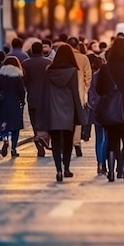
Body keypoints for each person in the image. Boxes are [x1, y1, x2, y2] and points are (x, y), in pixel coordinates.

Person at [37, 45, 86, 182]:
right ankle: (66, 168)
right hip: (68, 111)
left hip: (53, 111)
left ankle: (58, 169)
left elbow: (45, 93)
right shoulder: (72, 71)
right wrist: (79, 113)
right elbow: (75, 93)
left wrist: (43, 113)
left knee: (56, 143)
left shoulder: (48, 71)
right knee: (68, 142)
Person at [96, 38, 124, 181]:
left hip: (111, 111)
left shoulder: (105, 68)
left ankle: (110, 172)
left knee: (111, 141)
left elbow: (99, 89)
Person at [21, 42, 53, 157]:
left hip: (32, 97)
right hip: (46, 97)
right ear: (41, 50)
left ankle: (38, 140)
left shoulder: (25, 64)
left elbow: (23, 80)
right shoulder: (49, 62)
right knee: (46, 121)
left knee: (34, 121)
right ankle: (44, 138)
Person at [0, 56, 26, 158]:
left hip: (2, 103)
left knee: (3, 124)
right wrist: (22, 101)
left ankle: (5, 140)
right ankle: (13, 148)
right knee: (15, 128)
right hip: (15, 104)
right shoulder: (17, 76)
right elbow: (22, 91)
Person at [67, 37, 92, 158]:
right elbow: (88, 76)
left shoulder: (62, 58)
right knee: (77, 120)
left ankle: (66, 143)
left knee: (65, 118)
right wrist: (85, 89)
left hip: (64, 94)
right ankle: (76, 142)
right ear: (77, 45)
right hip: (79, 93)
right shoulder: (83, 58)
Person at [86, 54, 107, 175]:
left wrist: (93, 106)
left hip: (97, 111)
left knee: (99, 137)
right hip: (108, 111)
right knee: (107, 137)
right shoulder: (110, 75)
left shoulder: (95, 76)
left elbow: (91, 94)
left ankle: (99, 162)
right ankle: (105, 161)